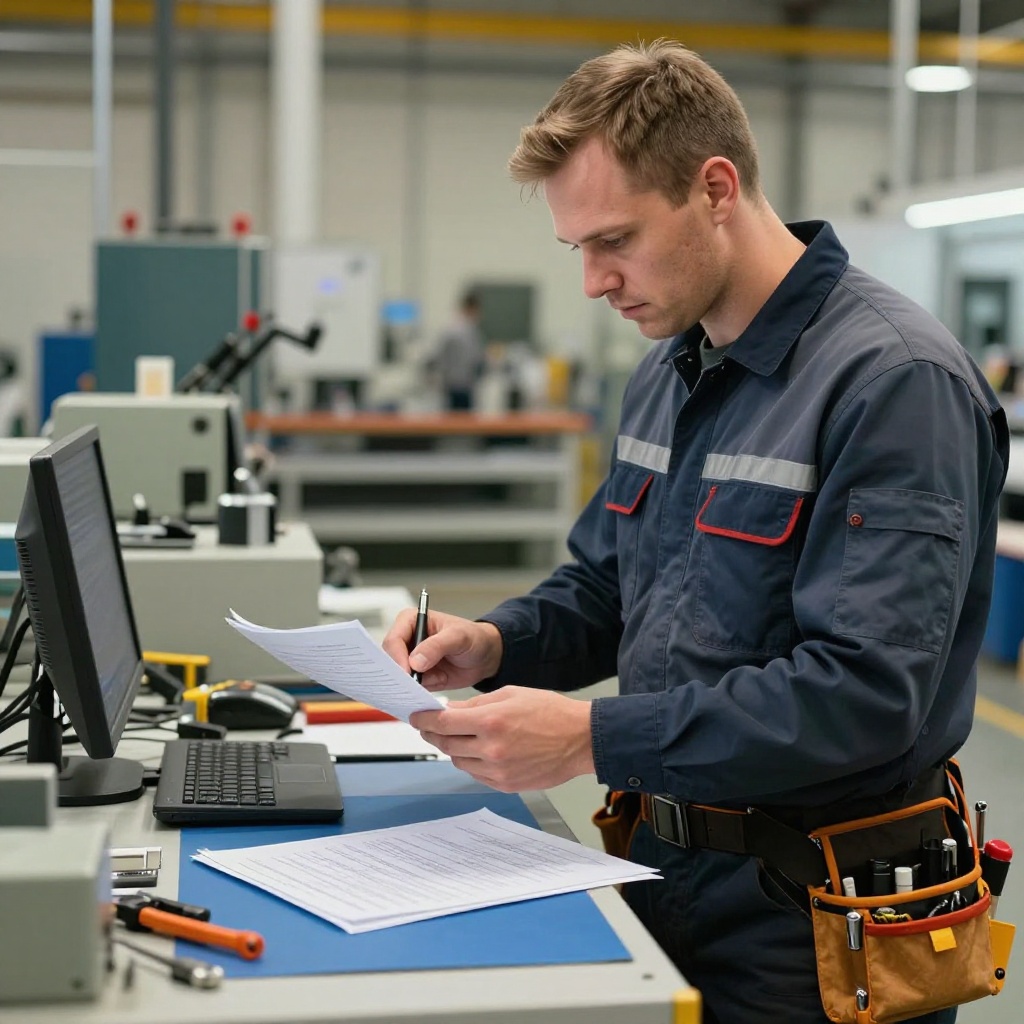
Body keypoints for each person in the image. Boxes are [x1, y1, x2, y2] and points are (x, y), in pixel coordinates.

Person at [383, 40, 1008, 1024]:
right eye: (576, 249)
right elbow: (606, 586)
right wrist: (496, 642)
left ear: (715, 188)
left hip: (811, 919)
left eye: (615, 240)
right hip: (659, 867)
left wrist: (590, 733)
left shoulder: (891, 383)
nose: (593, 280)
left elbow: (863, 694)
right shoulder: (668, 368)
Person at [435, 289, 485, 410]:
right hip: (461, 386)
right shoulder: (468, 331)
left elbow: (440, 357)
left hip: (452, 384)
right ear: (472, 308)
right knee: (461, 422)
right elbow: (476, 358)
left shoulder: (451, 328)